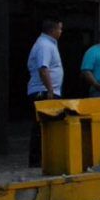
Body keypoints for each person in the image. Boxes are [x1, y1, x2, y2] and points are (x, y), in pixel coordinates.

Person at [26, 18, 64, 167]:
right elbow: (43, 68)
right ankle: (37, 160)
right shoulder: (45, 45)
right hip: (43, 92)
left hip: (47, 90)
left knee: (45, 126)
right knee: (41, 127)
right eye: (60, 29)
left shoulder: (48, 44)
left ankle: (44, 158)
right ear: (53, 30)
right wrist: (50, 90)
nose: (61, 32)